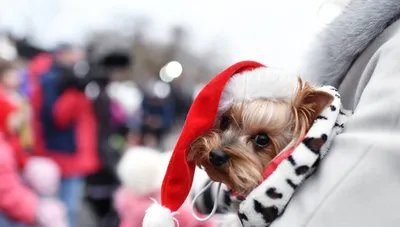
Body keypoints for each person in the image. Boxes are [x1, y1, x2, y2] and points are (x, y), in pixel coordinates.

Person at [30, 44, 100, 227]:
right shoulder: (52, 81)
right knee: (59, 211)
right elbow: (58, 117)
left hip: (70, 155)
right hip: (59, 155)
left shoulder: (63, 79)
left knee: (64, 209)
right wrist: (74, 92)